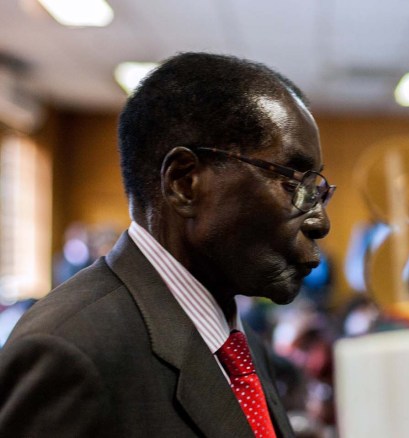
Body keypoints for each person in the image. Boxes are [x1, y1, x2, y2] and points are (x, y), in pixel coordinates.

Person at [0, 52, 334, 437]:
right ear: (184, 183)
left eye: (317, 191)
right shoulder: (72, 353)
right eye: (293, 184)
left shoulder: (239, 344)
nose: (320, 222)